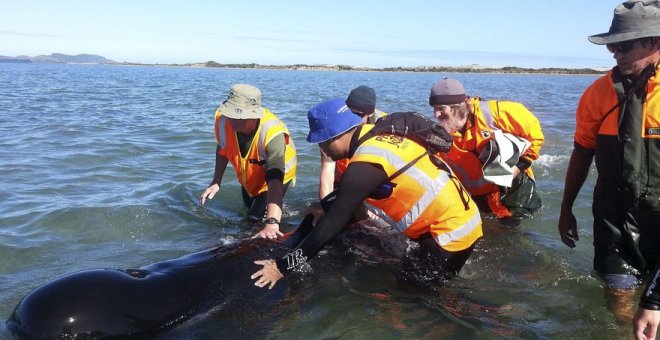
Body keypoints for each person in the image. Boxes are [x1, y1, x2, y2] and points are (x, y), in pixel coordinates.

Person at [251, 98, 483, 289]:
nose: (323, 150)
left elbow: (330, 227)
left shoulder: (364, 162)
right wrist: (325, 205)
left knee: (412, 299)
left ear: (335, 135)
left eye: (323, 143)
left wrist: (282, 266)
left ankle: (485, 317)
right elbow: (351, 194)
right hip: (463, 221)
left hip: (449, 237)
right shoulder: (379, 135)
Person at [555, 1, 660, 338]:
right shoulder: (597, 94)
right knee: (621, 308)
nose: (615, 53)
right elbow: (582, 151)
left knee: (651, 306)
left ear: (654, 42)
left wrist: (654, 301)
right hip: (614, 222)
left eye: (624, 45)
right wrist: (566, 208)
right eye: (612, 46)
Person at [429, 78, 544, 223]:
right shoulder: (444, 135)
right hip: (481, 197)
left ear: (456, 107)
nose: (436, 115)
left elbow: (535, 134)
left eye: (440, 108)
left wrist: (519, 166)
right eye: (434, 109)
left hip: (514, 187)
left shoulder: (494, 112)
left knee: (514, 233)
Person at [199, 84, 297, 239]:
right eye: (230, 114)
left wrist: (271, 222)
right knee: (249, 212)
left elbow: (275, 180)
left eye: (238, 116)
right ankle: (279, 216)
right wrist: (216, 181)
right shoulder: (224, 122)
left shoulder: (273, 134)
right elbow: (222, 149)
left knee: (253, 223)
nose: (232, 120)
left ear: (254, 115)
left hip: (276, 176)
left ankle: (277, 228)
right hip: (249, 174)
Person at [318, 85, 387, 200]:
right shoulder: (337, 124)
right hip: (342, 181)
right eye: (350, 113)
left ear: (370, 113)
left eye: (358, 115)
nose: (353, 120)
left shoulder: (384, 129)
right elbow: (327, 172)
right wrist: (325, 206)